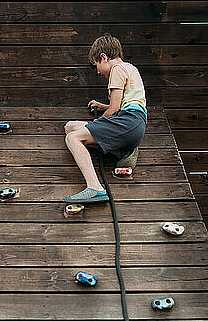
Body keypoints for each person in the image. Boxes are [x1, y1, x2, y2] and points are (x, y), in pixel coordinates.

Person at [63, 33, 148, 203]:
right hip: (134, 124)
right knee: (70, 127)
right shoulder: (130, 68)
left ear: (103, 57)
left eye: (96, 65)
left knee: (73, 138)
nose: (98, 71)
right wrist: (103, 107)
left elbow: (115, 109)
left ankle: (95, 188)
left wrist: (98, 121)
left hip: (127, 121)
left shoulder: (116, 70)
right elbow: (124, 102)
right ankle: (122, 152)